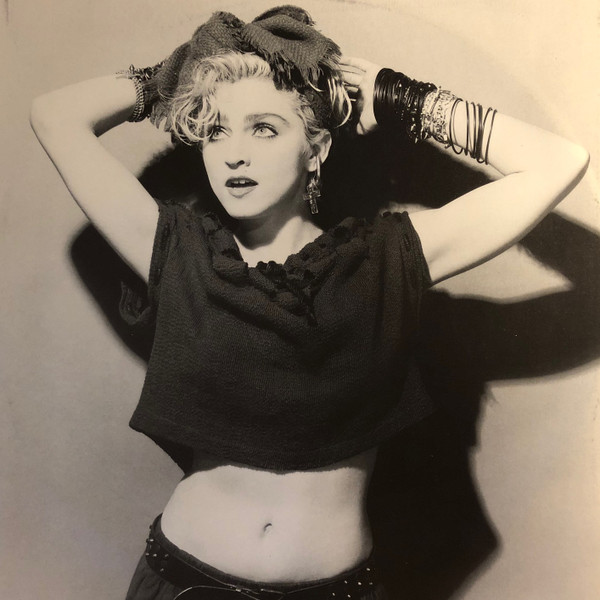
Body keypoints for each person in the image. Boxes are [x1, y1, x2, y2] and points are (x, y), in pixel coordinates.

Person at [29, 6, 589, 600]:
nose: (234, 153)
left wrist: (402, 99)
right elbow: (54, 115)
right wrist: (178, 75)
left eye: (264, 129)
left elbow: (559, 162)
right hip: (183, 584)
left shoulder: (387, 258)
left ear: (316, 148)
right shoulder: (175, 248)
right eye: (216, 130)